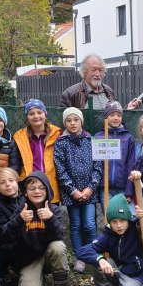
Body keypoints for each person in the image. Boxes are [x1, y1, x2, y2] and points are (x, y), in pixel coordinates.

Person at [0, 171, 74, 286]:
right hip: (29, 260)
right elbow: (5, 238)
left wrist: (50, 219)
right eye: (32, 188)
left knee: (58, 246)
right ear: (25, 192)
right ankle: (32, 279)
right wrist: (19, 220)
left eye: (41, 188)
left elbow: (59, 236)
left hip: (49, 256)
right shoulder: (21, 210)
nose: (37, 191)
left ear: (47, 190)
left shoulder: (53, 210)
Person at [76, 172, 143, 286]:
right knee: (93, 258)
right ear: (110, 222)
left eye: (122, 221)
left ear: (128, 219)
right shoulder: (108, 233)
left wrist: (139, 183)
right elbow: (82, 251)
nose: (119, 225)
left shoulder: (136, 226)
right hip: (117, 272)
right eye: (114, 221)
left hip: (135, 276)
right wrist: (100, 259)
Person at [54, 107, 102, 274]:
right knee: (75, 225)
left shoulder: (91, 140)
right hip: (71, 193)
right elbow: (60, 170)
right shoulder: (61, 143)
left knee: (89, 224)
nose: (72, 123)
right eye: (69, 120)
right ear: (64, 123)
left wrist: (90, 187)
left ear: (81, 121)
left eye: (76, 119)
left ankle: (96, 255)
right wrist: (73, 190)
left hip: (90, 191)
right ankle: (79, 258)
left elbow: (98, 166)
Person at [10, 99, 62, 203]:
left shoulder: (57, 134)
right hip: (29, 185)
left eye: (39, 112)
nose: (36, 116)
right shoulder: (19, 137)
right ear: (27, 117)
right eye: (31, 113)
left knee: (50, 216)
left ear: (45, 114)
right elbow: (16, 162)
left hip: (50, 184)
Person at [94, 101, 136, 200]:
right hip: (104, 187)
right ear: (106, 117)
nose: (116, 118)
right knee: (108, 215)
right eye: (112, 115)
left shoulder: (128, 138)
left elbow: (131, 164)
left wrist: (129, 191)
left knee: (123, 215)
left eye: (119, 115)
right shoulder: (98, 137)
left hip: (122, 186)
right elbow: (96, 164)